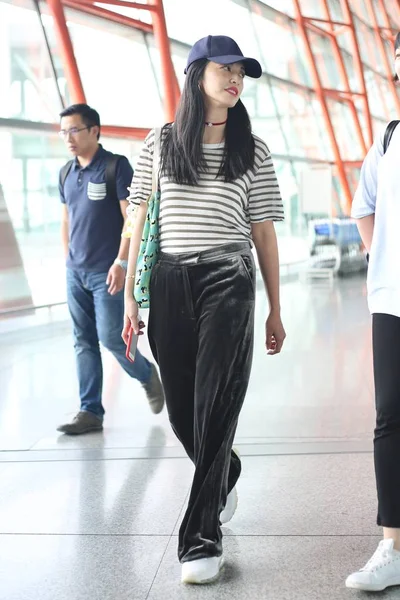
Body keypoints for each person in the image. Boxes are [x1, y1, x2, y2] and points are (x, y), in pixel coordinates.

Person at [122, 35, 286, 584]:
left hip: (229, 278)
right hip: (168, 279)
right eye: (225, 69)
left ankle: (199, 539)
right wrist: (127, 289)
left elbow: (263, 232)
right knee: (184, 413)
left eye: (242, 72)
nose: (236, 79)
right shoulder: (161, 142)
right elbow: (139, 215)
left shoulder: (254, 148)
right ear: (196, 76)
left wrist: (275, 310)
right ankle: (226, 471)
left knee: (217, 404)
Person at [57, 103, 164, 436]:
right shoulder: (65, 172)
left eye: (74, 130)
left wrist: (121, 261)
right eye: (63, 132)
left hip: (109, 272)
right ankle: (90, 411)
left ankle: (146, 374)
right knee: (83, 341)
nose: (68, 138)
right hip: (76, 272)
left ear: (94, 131)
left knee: (111, 338)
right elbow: (67, 219)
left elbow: (132, 218)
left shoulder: (116, 167)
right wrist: (67, 259)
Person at [346, 34, 400, 593]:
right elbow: (363, 207)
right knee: (391, 418)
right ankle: (393, 545)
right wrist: (377, 255)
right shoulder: (388, 140)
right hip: (392, 301)